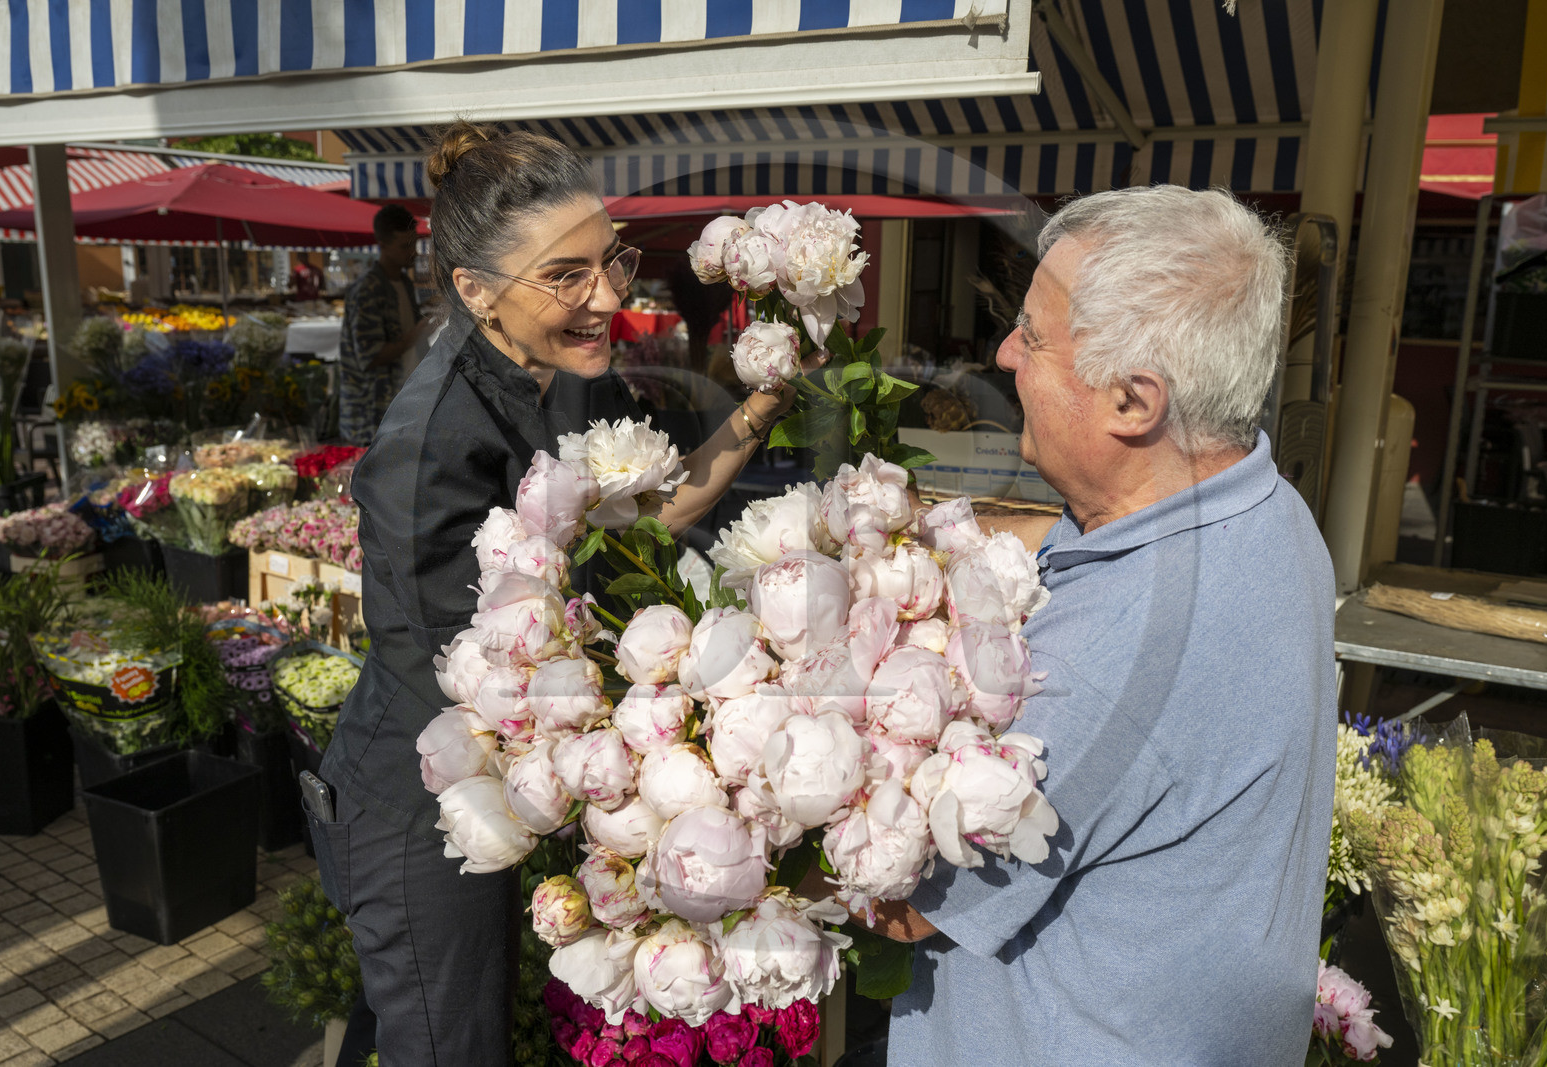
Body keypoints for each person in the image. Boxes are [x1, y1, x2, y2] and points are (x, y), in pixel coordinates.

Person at [311, 121, 813, 1065]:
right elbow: (474, 681)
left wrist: (758, 404)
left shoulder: (563, 374)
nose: (607, 297)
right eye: (566, 276)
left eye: (609, 261)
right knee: (449, 1045)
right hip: (421, 803)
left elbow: (651, 506)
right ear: (474, 290)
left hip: (493, 781)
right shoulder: (430, 444)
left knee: (426, 1029)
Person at [884, 186, 1337, 1065]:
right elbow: (1078, 544)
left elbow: (902, 899)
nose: (1007, 352)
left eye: (1035, 336)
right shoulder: (1267, 507)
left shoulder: (1112, 660)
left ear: (1134, 402)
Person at [337, 204, 431, 445]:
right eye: (404, 246)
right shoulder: (367, 290)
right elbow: (370, 356)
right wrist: (417, 333)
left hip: (401, 405)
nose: (413, 252)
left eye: (413, 244)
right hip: (371, 415)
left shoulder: (404, 283)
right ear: (383, 246)